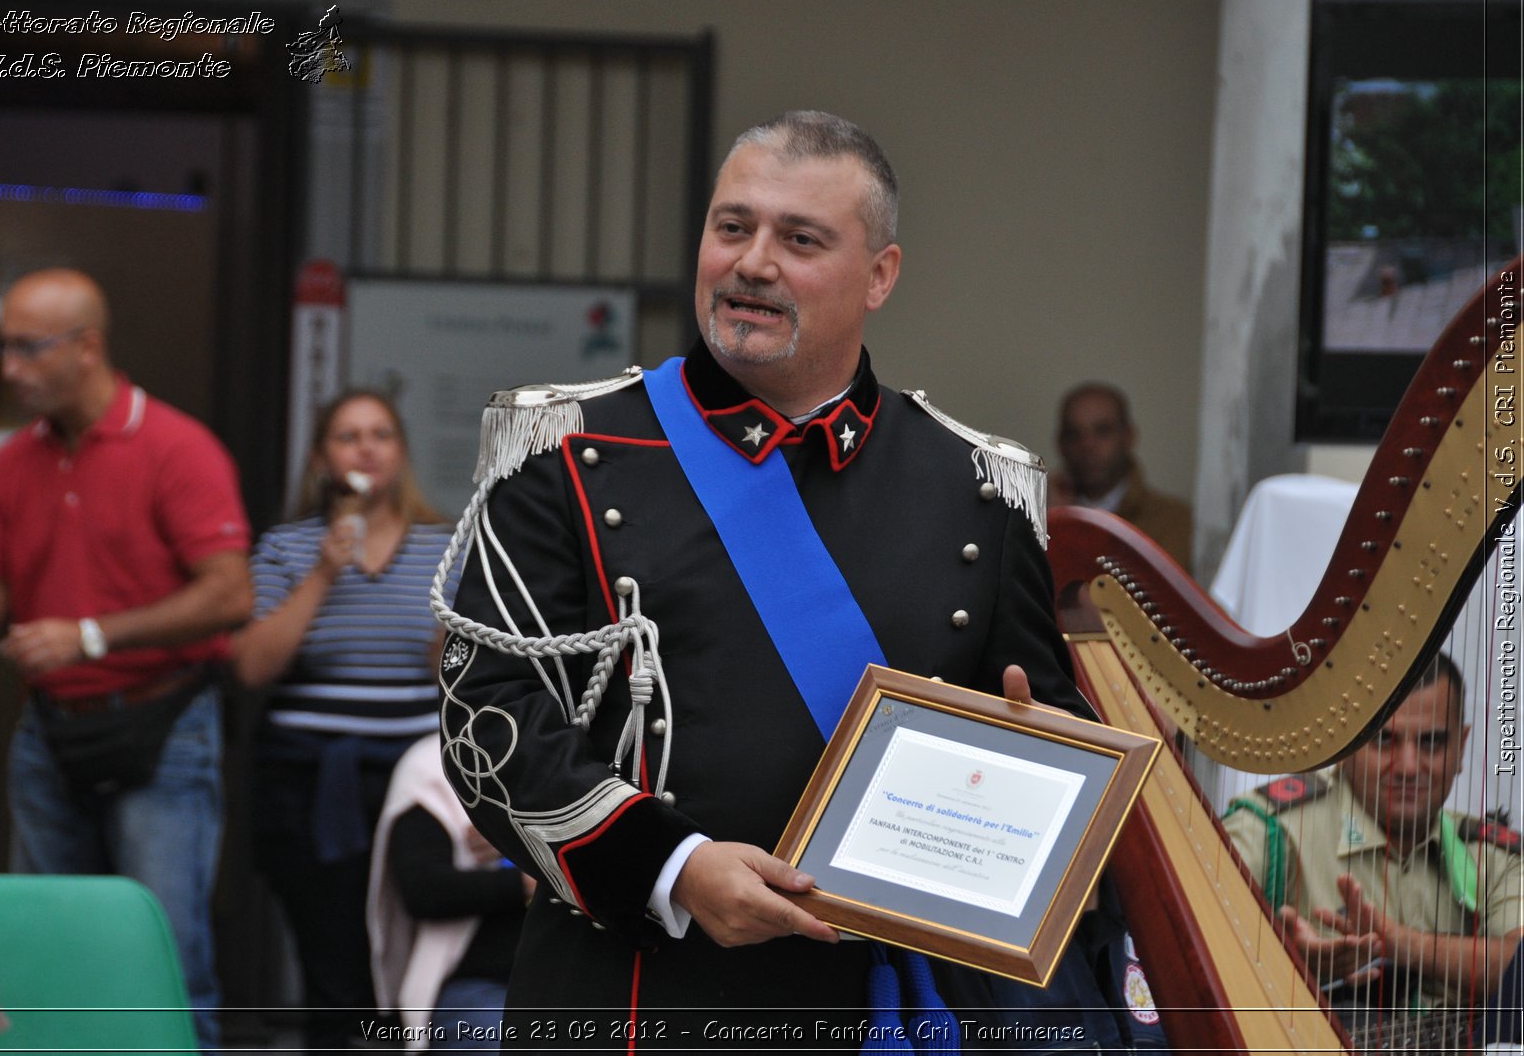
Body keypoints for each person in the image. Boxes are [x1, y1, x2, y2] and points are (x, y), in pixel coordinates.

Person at [435, 111, 1164, 1050]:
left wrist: (1049, 767)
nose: (753, 262)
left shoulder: (978, 486)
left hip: (896, 1012)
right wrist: (676, 868)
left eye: (800, 239)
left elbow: (1036, 726)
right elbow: (484, 720)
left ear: (880, 276)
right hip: (637, 995)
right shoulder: (566, 452)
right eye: (732, 227)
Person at [0, 268, 251, 1051]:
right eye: (4, 348)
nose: (7, 369)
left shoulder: (178, 446)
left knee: (169, 954)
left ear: (88, 346)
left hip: (163, 722)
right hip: (50, 729)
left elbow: (232, 595)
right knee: (37, 947)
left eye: (27, 348)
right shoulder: (12, 462)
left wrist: (91, 634)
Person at [230, 389, 454, 1054]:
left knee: (413, 954)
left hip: (419, 785)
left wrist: (454, 645)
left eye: (381, 434)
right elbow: (250, 666)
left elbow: (467, 676)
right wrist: (326, 570)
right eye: (348, 436)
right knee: (332, 960)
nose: (365, 448)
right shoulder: (287, 547)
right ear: (323, 457)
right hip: (310, 781)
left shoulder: (446, 543)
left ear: (401, 453)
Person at [1224, 654, 1523, 1017]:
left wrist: (1402, 945)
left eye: (1431, 743)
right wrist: (1281, 962)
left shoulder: (1494, 854)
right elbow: (1193, 944)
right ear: (1346, 739)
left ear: (1461, 747)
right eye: (1384, 740)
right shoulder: (1269, 829)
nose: (1409, 767)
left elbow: (1519, 969)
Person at [368, 732, 532, 1052]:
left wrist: (528, 839)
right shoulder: (433, 762)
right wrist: (527, 883)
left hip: (588, 978)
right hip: (482, 982)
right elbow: (424, 891)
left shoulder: (603, 748)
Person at [1050, 382, 1192, 565]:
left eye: (1102, 431)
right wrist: (1055, 526)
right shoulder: (1037, 519)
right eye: (1074, 434)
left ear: (1129, 436)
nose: (1087, 445)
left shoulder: (1176, 523)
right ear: (1060, 443)